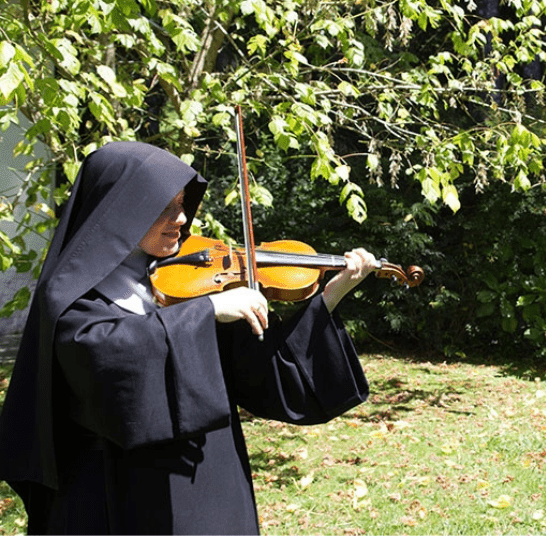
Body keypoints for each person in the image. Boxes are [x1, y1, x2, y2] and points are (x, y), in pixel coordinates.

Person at [0, 141, 378, 534]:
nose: (181, 218)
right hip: (120, 497)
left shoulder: (190, 281)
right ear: (118, 213)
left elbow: (262, 373)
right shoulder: (70, 297)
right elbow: (109, 359)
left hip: (211, 484)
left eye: (182, 204)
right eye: (163, 207)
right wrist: (207, 312)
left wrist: (331, 295)